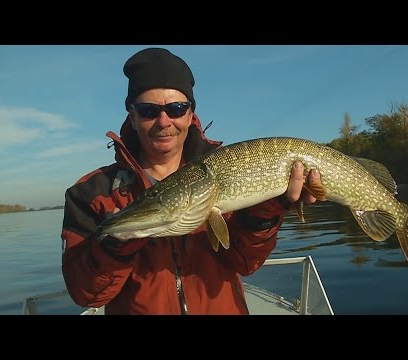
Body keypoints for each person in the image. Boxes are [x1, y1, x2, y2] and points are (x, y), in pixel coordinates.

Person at [61, 47, 323, 315]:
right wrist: (115, 246)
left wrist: (266, 210)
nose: (164, 121)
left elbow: (245, 263)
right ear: (133, 115)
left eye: (176, 108)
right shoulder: (91, 192)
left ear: (190, 114)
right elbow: (86, 294)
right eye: (149, 110)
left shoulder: (228, 170)